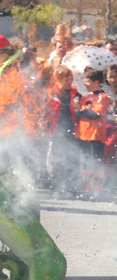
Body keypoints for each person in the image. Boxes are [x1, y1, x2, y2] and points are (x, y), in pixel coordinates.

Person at [75, 68, 109, 200]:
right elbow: (79, 112)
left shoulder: (103, 97)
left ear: (96, 81)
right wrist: (77, 101)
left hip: (96, 134)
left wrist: (80, 109)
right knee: (86, 163)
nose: (85, 84)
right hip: (83, 134)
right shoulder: (86, 96)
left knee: (96, 162)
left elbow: (95, 115)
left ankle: (98, 191)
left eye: (87, 81)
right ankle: (88, 189)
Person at [46, 66, 81, 198]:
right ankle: (55, 187)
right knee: (57, 160)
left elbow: (81, 109)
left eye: (71, 79)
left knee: (72, 160)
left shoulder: (76, 93)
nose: (69, 81)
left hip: (73, 130)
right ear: (58, 79)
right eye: (66, 79)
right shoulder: (51, 93)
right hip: (56, 131)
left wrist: (78, 108)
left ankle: (70, 189)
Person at [103, 64, 117, 193]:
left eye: (115, 76)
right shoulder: (103, 90)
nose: (113, 79)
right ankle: (106, 177)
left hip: (115, 125)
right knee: (105, 151)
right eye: (110, 77)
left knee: (110, 146)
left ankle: (111, 178)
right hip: (104, 122)